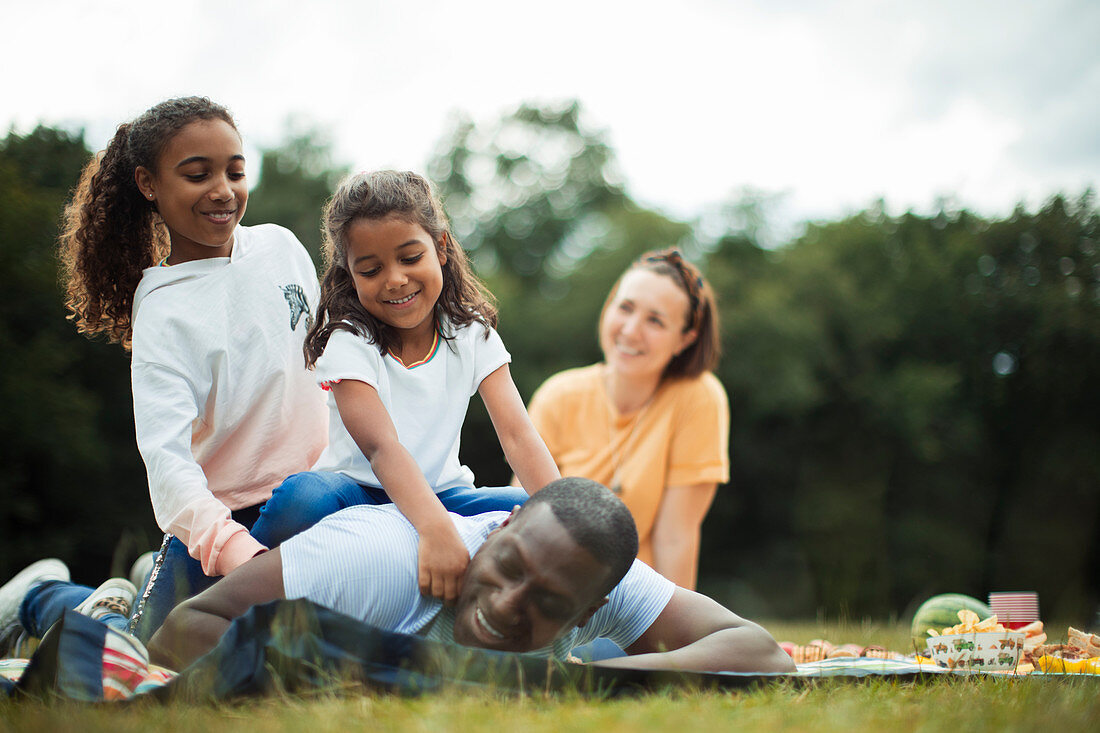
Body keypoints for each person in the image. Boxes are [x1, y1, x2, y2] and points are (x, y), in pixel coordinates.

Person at [2, 97, 355, 645]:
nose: (223, 190)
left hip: (323, 495)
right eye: (198, 174)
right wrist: (237, 551)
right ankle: (39, 597)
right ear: (149, 183)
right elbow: (166, 464)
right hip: (228, 525)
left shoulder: (282, 249)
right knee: (138, 648)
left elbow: (335, 367)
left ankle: (148, 576)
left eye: (236, 171)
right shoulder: (164, 310)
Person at [148, 478, 794, 674]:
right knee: (127, 624)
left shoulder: (596, 576)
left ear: (590, 604)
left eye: (546, 599)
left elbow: (761, 653)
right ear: (501, 528)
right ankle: (50, 596)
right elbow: (189, 624)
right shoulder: (378, 564)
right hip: (279, 545)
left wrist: (594, 674)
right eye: (509, 567)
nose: (508, 603)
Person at [300, 170, 559, 605]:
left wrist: (563, 524)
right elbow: (381, 447)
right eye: (371, 269)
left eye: (409, 257)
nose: (395, 279)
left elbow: (518, 435)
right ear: (350, 273)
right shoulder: (348, 341)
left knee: (527, 505)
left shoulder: (471, 335)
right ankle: (248, 587)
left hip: (445, 491)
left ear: (440, 247)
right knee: (301, 498)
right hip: (356, 491)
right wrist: (434, 529)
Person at [526, 249, 728, 590]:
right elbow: (525, 514)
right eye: (625, 308)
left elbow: (675, 537)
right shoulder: (557, 395)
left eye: (656, 321)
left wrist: (670, 640)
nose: (631, 331)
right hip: (548, 592)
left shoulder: (698, 396)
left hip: (632, 601)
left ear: (685, 339)